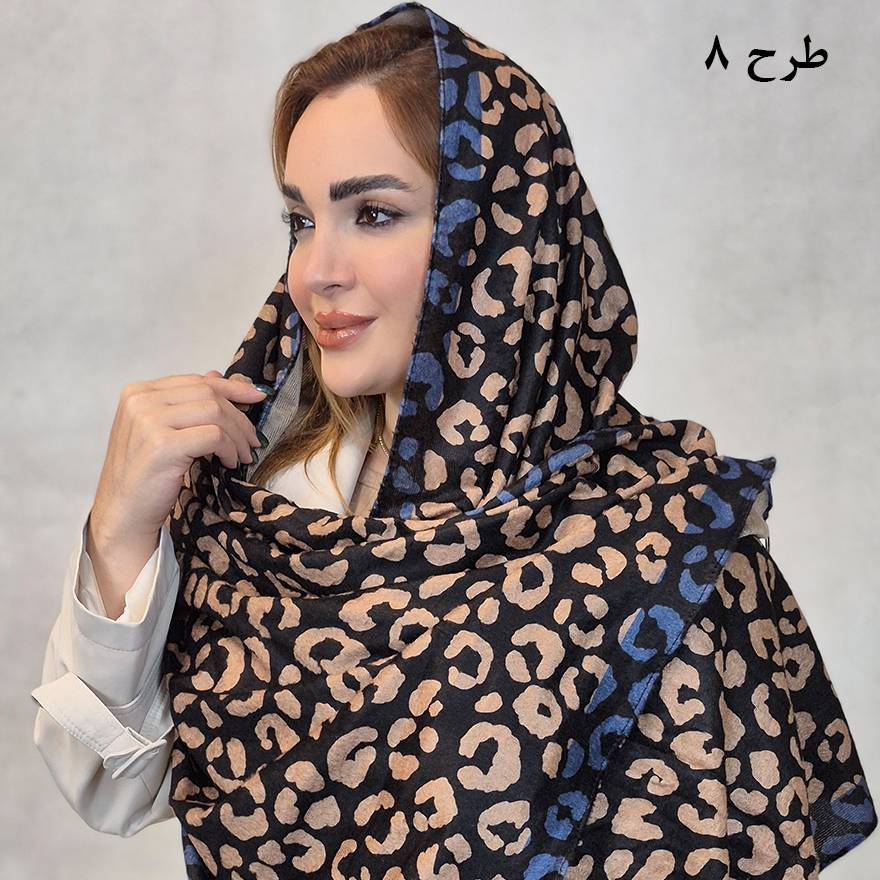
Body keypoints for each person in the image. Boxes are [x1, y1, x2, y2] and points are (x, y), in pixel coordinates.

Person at [32, 2, 877, 877]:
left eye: (373, 214)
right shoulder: (268, 502)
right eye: (301, 220)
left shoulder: (668, 551)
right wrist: (118, 533)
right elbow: (115, 786)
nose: (316, 271)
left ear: (496, 232)